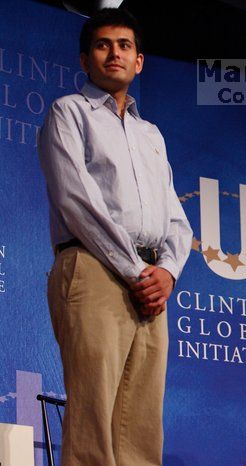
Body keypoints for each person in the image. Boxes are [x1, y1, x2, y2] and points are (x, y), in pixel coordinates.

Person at [37, 9, 192, 466]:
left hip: (149, 284)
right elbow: (77, 201)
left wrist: (166, 271)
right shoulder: (69, 112)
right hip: (94, 270)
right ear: (85, 60)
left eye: (125, 46)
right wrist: (136, 270)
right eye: (103, 45)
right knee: (94, 421)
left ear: (139, 61)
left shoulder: (151, 134)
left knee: (142, 427)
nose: (115, 54)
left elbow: (176, 219)